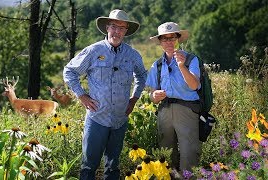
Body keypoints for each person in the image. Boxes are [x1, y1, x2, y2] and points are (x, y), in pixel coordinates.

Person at [63, 9, 147, 180]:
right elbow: (69, 71)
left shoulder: (132, 55)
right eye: (114, 27)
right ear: (107, 27)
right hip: (97, 118)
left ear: (126, 31)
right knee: (88, 167)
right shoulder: (94, 51)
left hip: (119, 119)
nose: (117, 31)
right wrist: (81, 95)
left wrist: (134, 99)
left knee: (113, 167)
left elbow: (142, 75)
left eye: (122, 28)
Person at [145, 22, 201, 172]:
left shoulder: (191, 60)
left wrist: (182, 66)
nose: (169, 42)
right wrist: (154, 96)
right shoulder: (156, 65)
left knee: (189, 153)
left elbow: (194, 85)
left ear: (178, 39)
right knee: (166, 153)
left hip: (187, 110)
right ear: (160, 42)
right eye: (165, 39)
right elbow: (152, 95)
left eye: (172, 38)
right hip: (164, 111)